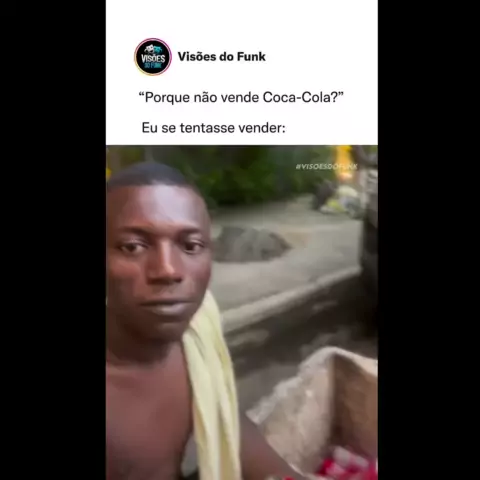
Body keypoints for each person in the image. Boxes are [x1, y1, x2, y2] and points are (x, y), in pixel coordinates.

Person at [106, 162, 311, 480]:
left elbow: (223, 416)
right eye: (133, 247)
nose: (168, 270)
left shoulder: (199, 324)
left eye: (191, 246)